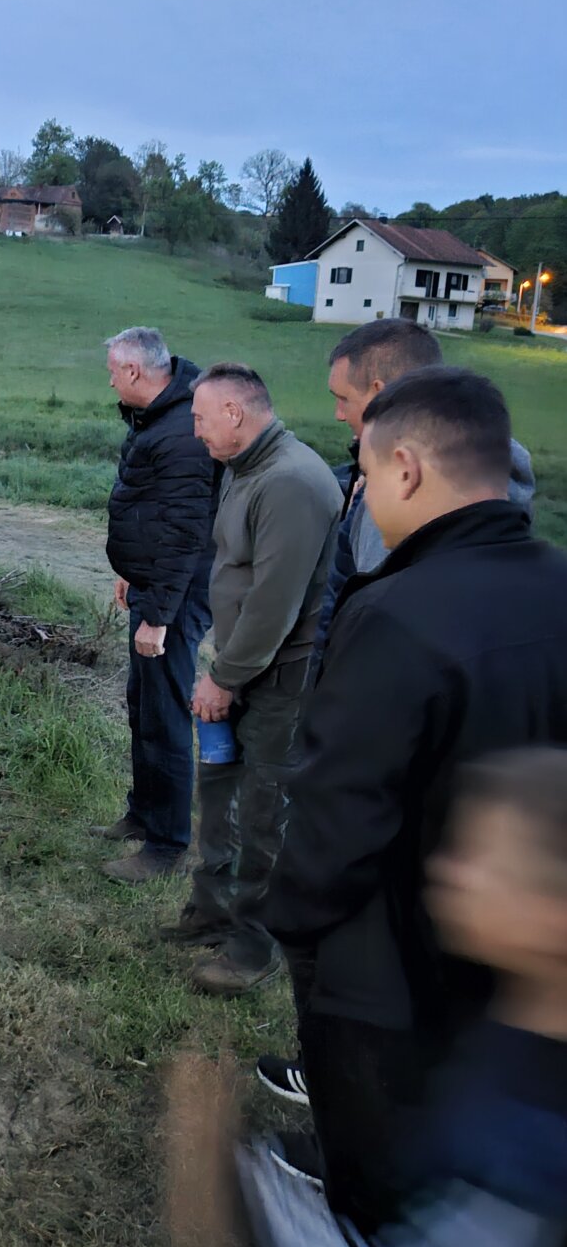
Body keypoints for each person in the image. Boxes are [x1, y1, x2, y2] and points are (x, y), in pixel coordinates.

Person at [263, 367, 567, 1233]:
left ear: (406, 469)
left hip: (392, 975)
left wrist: (295, 927)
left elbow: (336, 816)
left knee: (383, 1188)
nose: (358, 491)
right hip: (529, 965)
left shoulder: (396, 612)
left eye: (360, 470)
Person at [166, 747, 567, 1247]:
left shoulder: (534, 1145)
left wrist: (228, 1179)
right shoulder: (515, 1016)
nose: (448, 868)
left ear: (553, 918)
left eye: (483, 858)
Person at [167, 362, 341, 995]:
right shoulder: (246, 470)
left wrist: (225, 676)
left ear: (236, 414)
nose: (196, 431)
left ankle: (251, 948)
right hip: (239, 665)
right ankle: (210, 914)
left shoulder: (291, 481)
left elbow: (275, 602)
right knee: (217, 793)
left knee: (264, 814)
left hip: (277, 679)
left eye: (200, 418)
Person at [311, 318, 534, 663]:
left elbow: (380, 635)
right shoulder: (493, 471)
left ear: (379, 393)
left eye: (343, 399)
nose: (339, 414)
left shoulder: (398, 497)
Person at [95, 327, 219, 882]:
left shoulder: (182, 434)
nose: (110, 379)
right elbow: (150, 509)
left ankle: (167, 845)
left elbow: (186, 533)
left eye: (113, 371)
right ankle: (144, 813)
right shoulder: (157, 416)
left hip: (177, 593)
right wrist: (131, 574)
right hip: (152, 584)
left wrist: (160, 616)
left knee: (166, 713)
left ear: (137, 374)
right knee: (141, 703)